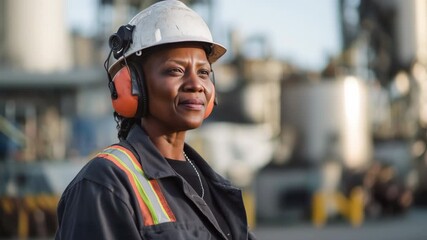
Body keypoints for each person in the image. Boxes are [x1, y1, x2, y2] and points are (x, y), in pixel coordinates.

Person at [55, 1, 256, 239]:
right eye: (175, 71)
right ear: (132, 85)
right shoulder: (106, 182)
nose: (196, 85)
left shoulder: (214, 185)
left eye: (203, 72)